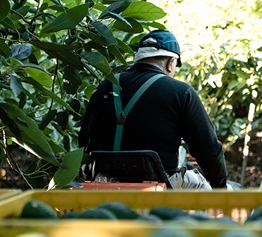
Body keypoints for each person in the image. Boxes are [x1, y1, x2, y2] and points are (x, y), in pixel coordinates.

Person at [79, 30, 228, 189]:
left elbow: (83, 140)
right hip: (157, 187)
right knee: (199, 182)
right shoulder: (181, 93)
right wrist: (221, 186)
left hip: (103, 184)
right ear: (170, 63)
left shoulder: (105, 87)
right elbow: (209, 150)